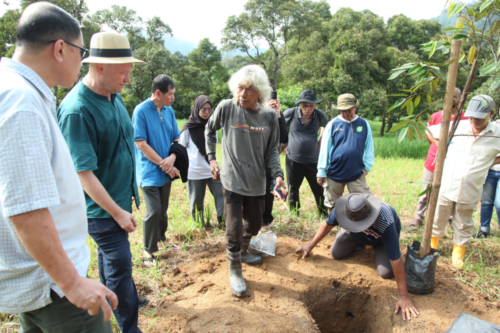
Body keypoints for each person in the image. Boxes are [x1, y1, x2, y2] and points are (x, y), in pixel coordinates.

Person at [0, 3, 116, 332]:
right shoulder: (20, 102)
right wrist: (73, 284)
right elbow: (26, 207)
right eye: (81, 51)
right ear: (60, 49)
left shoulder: (18, 92)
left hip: (40, 277)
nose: (83, 62)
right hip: (54, 287)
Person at [58, 32, 146, 333]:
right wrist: (118, 213)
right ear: (99, 67)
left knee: (113, 265)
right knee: (121, 263)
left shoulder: (114, 97)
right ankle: (129, 326)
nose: (127, 78)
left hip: (118, 200)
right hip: (99, 209)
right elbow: (84, 174)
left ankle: (117, 299)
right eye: (123, 71)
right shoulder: (77, 110)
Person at [205, 65, 285, 297]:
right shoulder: (226, 107)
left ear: (259, 92)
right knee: (234, 226)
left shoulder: (269, 116)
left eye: (248, 89)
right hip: (231, 179)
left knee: (254, 223)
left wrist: (278, 174)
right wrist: (212, 158)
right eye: (239, 88)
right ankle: (235, 269)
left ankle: (243, 249)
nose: (242, 94)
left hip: (257, 180)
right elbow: (209, 131)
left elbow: (272, 150)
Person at [296, 193, 419, 321]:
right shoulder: (344, 208)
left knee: (386, 272)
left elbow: (396, 260)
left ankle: (375, 248)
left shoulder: (385, 221)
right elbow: (327, 224)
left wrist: (404, 297)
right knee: (337, 253)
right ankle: (358, 243)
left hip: (379, 240)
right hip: (355, 234)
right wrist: (309, 246)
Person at [431, 95, 500, 269]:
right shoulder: (457, 126)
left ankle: (458, 253)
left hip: (472, 187)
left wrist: (491, 162)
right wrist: (442, 149)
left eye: (479, 117)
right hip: (448, 183)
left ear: (491, 113)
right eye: (471, 116)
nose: (474, 120)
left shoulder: (497, 134)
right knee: (439, 215)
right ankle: (432, 246)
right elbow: (429, 131)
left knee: (464, 220)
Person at [132, 74, 182, 268]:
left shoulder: (168, 111)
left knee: (163, 210)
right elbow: (141, 144)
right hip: (149, 172)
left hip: (166, 170)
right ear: (158, 93)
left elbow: (176, 140)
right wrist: (165, 164)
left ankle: (161, 239)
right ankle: (148, 249)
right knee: (153, 212)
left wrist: (172, 159)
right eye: (170, 94)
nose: (172, 98)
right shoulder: (141, 111)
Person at [410, 88, 464, 228]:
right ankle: (419, 216)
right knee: (426, 189)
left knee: (452, 190)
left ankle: (451, 218)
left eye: (455, 96)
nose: (452, 99)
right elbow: (428, 134)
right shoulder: (434, 117)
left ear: (460, 98)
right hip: (433, 160)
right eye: (449, 96)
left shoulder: (465, 119)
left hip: (455, 161)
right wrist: (438, 144)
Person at [317, 94, 374, 211]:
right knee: (332, 204)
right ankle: (335, 225)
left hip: (357, 172)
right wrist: (321, 171)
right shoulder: (332, 124)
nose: (346, 113)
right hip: (334, 172)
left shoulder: (364, 124)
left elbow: (369, 147)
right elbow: (324, 149)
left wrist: (367, 167)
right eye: (343, 110)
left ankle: (357, 228)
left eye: (349, 109)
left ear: (355, 108)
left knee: (361, 203)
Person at [180, 95, 224, 229]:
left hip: (212, 168)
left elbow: (212, 147)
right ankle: (200, 226)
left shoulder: (212, 126)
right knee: (197, 201)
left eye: (209, 109)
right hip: (195, 170)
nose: (206, 112)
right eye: (203, 109)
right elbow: (181, 149)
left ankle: (224, 223)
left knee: (222, 195)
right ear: (196, 108)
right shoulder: (188, 128)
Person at [283, 90, 328, 217]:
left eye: (311, 106)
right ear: (300, 104)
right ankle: (294, 213)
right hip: (293, 159)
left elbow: (326, 125)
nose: (308, 109)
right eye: (305, 105)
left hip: (313, 160)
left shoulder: (319, 115)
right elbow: (279, 126)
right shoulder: (291, 113)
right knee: (293, 188)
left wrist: (321, 138)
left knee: (318, 187)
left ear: (315, 105)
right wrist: (285, 143)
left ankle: (323, 213)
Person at [262, 85, 288, 230]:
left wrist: (277, 116)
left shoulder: (278, 114)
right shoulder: (255, 111)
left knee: (268, 193)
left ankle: (266, 222)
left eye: (271, 93)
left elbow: (283, 138)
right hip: (253, 159)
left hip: (270, 161)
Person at [477, 119, 500, 238]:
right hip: (489, 170)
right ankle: (484, 229)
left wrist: (490, 161)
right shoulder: (492, 126)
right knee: (486, 201)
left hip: (492, 165)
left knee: (499, 203)